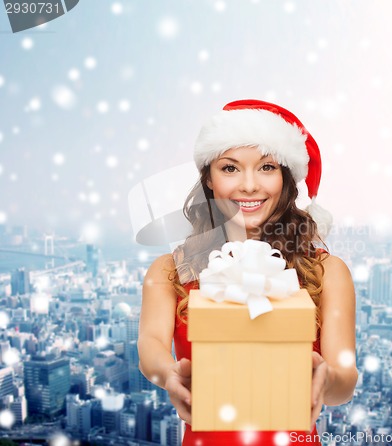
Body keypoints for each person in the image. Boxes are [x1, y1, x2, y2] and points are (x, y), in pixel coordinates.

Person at [138, 99, 357, 446]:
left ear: (286, 178)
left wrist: (325, 381)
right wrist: (168, 375)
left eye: (267, 167)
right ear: (208, 178)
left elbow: (344, 378)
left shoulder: (327, 272)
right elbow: (150, 344)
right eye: (230, 168)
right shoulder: (170, 271)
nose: (250, 185)